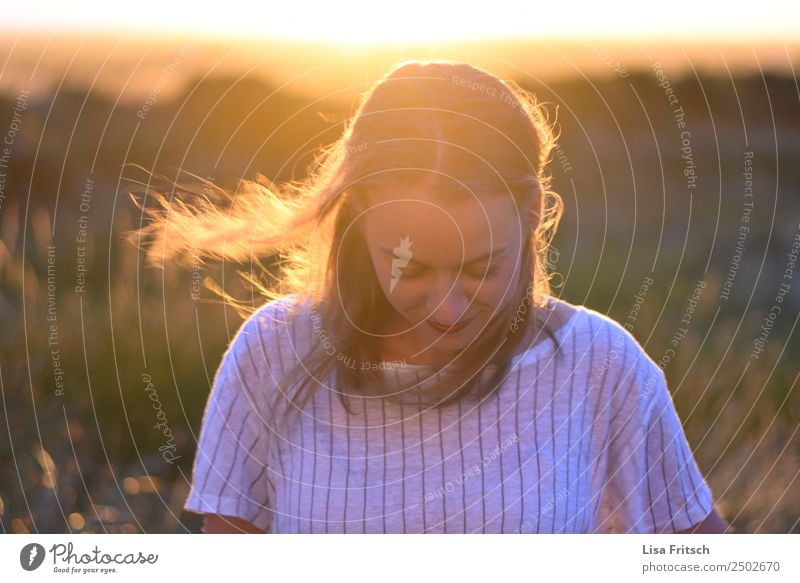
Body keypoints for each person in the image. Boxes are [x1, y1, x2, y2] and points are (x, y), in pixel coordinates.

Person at [133, 58, 728, 534]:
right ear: (360, 221)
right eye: (409, 267)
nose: (446, 311)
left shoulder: (598, 366)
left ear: (533, 214)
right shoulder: (274, 351)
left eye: (481, 268)